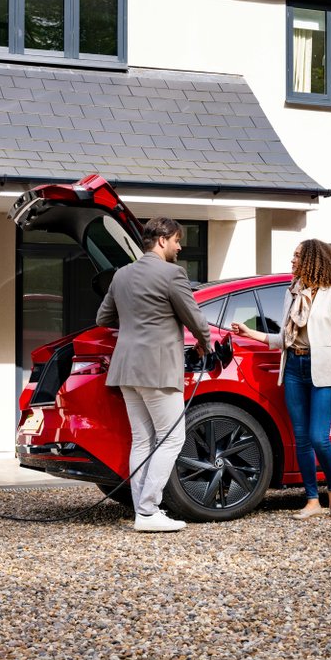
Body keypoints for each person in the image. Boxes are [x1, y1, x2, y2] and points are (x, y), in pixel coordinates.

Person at [97, 217, 211, 532]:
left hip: (126, 369)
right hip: (158, 369)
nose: (179, 247)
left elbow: (103, 316)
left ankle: (142, 512)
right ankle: (148, 511)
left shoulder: (121, 275)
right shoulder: (172, 274)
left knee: (143, 440)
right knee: (173, 437)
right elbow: (196, 319)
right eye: (176, 241)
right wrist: (206, 345)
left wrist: (135, 319)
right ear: (161, 240)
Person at [231, 239, 331, 520]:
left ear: (312, 260)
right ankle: (312, 499)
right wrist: (251, 333)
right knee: (301, 439)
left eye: (297, 256)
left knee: (318, 437)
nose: (292, 261)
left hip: (323, 370)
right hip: (294, 367)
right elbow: (284, 340)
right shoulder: (292, 294)